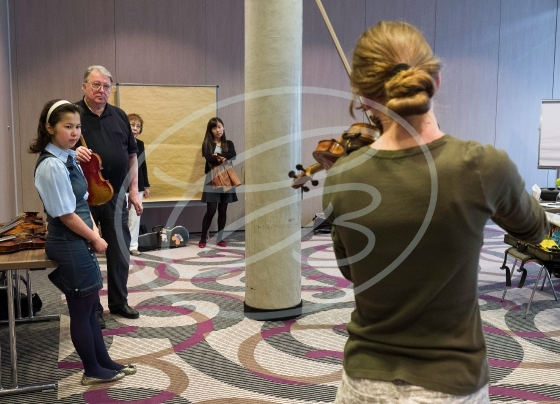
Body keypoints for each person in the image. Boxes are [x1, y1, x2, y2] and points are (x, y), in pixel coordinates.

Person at [322, 21, 548, 403]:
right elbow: (535, 229)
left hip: (363, 382)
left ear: (364, 99)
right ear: (435, 81)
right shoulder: (483, 166)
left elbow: (350, 270)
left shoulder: (342, 175)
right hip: (451, 384)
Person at [30, 99, 137, 385]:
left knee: (90, 307)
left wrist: (93, 231)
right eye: (68, 127)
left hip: (79, 239)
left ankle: (104, 361)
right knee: (80, 310)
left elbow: (82, 203)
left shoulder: (68, 158)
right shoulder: (51, 165)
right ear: (49, 127)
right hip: (67, 241)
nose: (75, 133)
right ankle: (91, 370)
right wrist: (95, 237)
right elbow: (66, 215)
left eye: (78, 127)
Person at [75, 65, 143, 328]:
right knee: (87, 253)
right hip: (83, 197)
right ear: (84, 86)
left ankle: (118, 302)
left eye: (106, 86)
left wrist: (134, 190)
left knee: (119, 250)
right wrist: (73, 153)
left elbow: (132, 155)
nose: (101, 90)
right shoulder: (72, 114)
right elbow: (55, 149)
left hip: (115, 194)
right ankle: (93, 309)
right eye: (96, 85)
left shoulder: (120, 115)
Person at [199, 117, 238, 248]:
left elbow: (233, 155)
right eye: (214, 128)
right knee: (211, 210)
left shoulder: (229, 143)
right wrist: (223, 158)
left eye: (220, 126)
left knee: (223, 210)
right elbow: (209, 159)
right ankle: (203, 238)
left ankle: (220, 238)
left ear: (223, 127)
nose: (218, 130)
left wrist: (217, 157)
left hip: (226, 178)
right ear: (210, 130)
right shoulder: (207, 144)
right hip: (212, 179)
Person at [127, 113, 150, 256]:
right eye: (132, 125)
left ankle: (133, 246)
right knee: (121, 217)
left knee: (135, 217)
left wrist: (146, 185)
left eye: (138, 126)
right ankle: (120, 245)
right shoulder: (119, 141)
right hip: (121, 185)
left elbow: (143, 165)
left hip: (138, 185)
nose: (135, 128)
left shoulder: (140, 144)